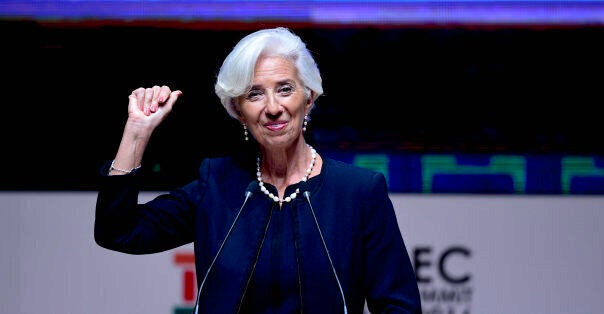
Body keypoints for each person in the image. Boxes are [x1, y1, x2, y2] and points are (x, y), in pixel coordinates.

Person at [94, 26, 422, 314]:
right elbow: (118, 231)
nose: (273, 108)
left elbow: (399, 305)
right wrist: (136, 132)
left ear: (308, 98)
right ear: (238, 111)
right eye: (255, 94)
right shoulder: (218, 184)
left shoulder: (358, 193)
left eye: (285, 89)